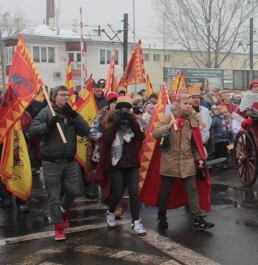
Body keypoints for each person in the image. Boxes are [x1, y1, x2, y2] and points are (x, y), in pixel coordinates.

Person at [28, 86, 90, 241]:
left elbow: (85, 131)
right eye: (62, 95)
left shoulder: (71, 113)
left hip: (69, 161)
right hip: (51, 161)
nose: (66, 97)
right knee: (54, 196)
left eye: (68, 95)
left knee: (74, 191)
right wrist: (48, 125)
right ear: (54, 97)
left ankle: (63, 210)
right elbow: (32, 131)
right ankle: (59, 227)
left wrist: (75, 116)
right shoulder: (46, 112)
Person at [152, 93, 214, 231]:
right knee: (166, 190)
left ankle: (198, 218)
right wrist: (168, 126)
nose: (188, 106)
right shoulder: (170, 117)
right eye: (186, 103)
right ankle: (161, 215)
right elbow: (155, 133)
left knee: (192, 189)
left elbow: (194, 145)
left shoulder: (193, 120)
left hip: (187, 161)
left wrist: (199, 159)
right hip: (170, 160)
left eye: (190, 104)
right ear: (178, 104)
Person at [97, 97, 146, 235]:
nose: (124, 113)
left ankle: (136, 222)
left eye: (127, 111)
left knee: (134, 192)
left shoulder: (133, 123)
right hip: (115, 163)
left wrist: (132, 120)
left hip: (132, 162)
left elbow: (140, 136)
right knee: (118, 192)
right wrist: (116, 122)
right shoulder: (109, 123)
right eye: (121, 111)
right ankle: (111, 211)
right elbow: (107, 139)